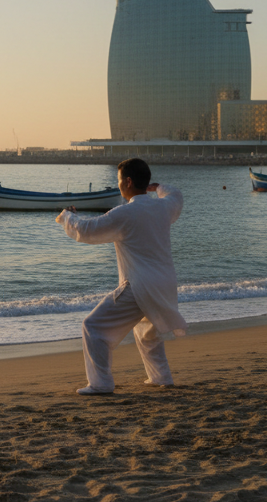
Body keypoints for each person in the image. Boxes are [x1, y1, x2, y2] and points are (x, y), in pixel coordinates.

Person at [55, 158, 187, 395]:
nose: (117, 186)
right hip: (165, 283)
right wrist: (158, 188)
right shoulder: (164, 207)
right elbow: (176, 195)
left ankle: (100, 383)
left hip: (140, 285)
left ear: (127, 181)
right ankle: (161, 378)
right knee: (148, 333)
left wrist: (66, 217)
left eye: (118, 182)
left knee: (93, 326)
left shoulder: (125, 212)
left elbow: (87, 230)